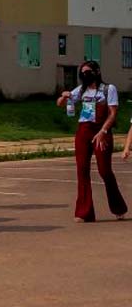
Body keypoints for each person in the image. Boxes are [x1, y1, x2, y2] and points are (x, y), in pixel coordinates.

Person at [57, 60, 127, 223]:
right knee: (82, 170)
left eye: (88, 71)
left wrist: (103, 131)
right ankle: (84, 212)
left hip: (102, 131)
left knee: (104, 171)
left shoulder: (108, 89)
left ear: (96, 72)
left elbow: (113, 113)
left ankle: (118, 208)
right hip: (84, 131)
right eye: (82, 72)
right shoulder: (81, 90)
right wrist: (64, 97)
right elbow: (60, 103)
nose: (85, 75)